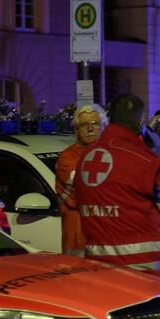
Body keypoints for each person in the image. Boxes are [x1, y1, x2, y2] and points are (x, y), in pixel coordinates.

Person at [74, 94, 160, 279]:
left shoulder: (87, 157)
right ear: (139, 123)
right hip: (144, 269)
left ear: (109, 119)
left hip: (99, 267)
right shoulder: (144, 158)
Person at [54, 104, 106, 256]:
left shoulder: (110, 153)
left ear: (103, 126)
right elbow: (88, 189)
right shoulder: (68, 158)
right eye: (84, 125)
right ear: (76, 130)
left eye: (95, 124)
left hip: (104, 232)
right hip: (79, 234)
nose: (90, 129)